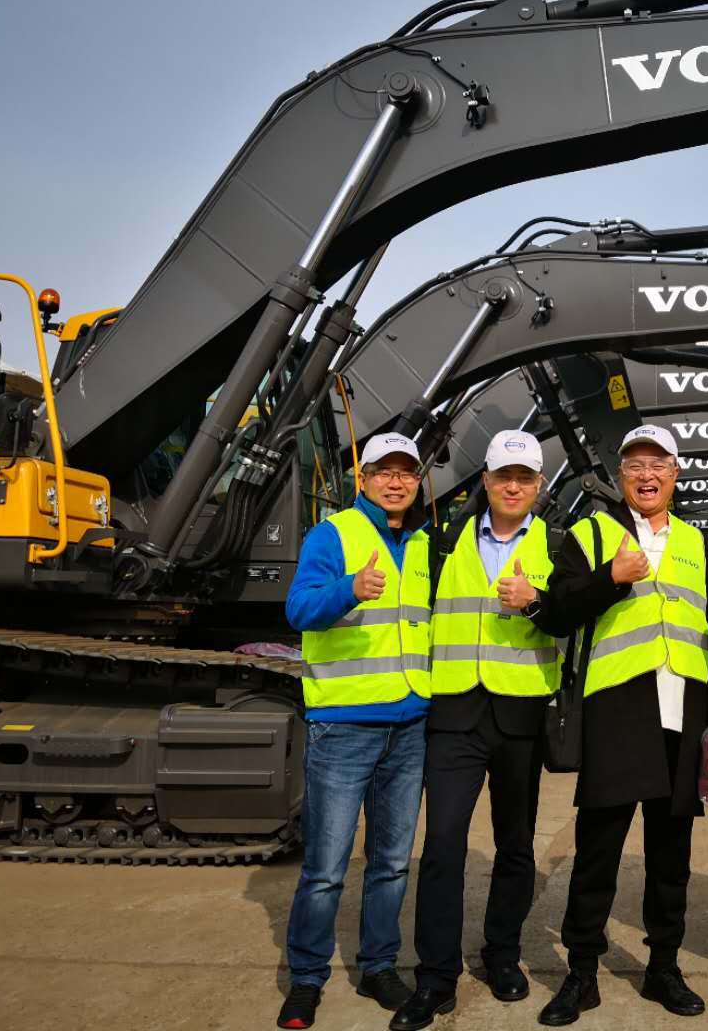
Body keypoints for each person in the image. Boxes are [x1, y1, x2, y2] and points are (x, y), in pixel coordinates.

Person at [537, 424, 708, 1026]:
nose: (647, 476)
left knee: (671, 855)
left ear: (676, 474)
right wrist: (610, 578)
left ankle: (663, 968)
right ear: (619, 474)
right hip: (618, 711)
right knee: (598, 850)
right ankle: (581, 972)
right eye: (635, 466)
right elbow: (556, 613)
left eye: (658, 465)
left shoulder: (698, 543)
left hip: (684, 714)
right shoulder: (590, 534)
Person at [392, 431, 567, 1031]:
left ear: (538, 485)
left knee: (515, 845)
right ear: (486, 481)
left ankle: (502, 954)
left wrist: (538, 599)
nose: (513, 486)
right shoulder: (442, 544)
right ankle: (435, 976)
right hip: (455, 715)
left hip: (521, 715)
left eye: (524, 477)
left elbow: (573, 616)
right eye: (503, 476)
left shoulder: (558, 545)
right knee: (442, 846)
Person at [279, 432, 432, 1030]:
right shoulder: (334, 534)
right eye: (383, 472)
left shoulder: (422, 544)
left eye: (406, 472)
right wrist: (349, 589)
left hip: (409, 725)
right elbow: (298, 609)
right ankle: (306, 978)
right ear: (362, 479)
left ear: (417, 481)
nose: (396, 482)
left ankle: (378, 967)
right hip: (344, 727)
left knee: (391, 862)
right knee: (325, 868)